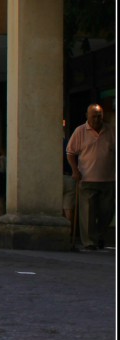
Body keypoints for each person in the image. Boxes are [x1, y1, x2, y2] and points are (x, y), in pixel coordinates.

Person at [66, 104, 115, 251]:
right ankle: (89, 242)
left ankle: (99, 236)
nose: (97, 119)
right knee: (87, 213)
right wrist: (75, 170)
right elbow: (70, 153)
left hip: (108, 179)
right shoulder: (80, 131)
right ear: (87, 116)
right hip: (86, 179)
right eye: (94, 116)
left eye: (99, 116)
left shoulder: (111, 130)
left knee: (107, 212)